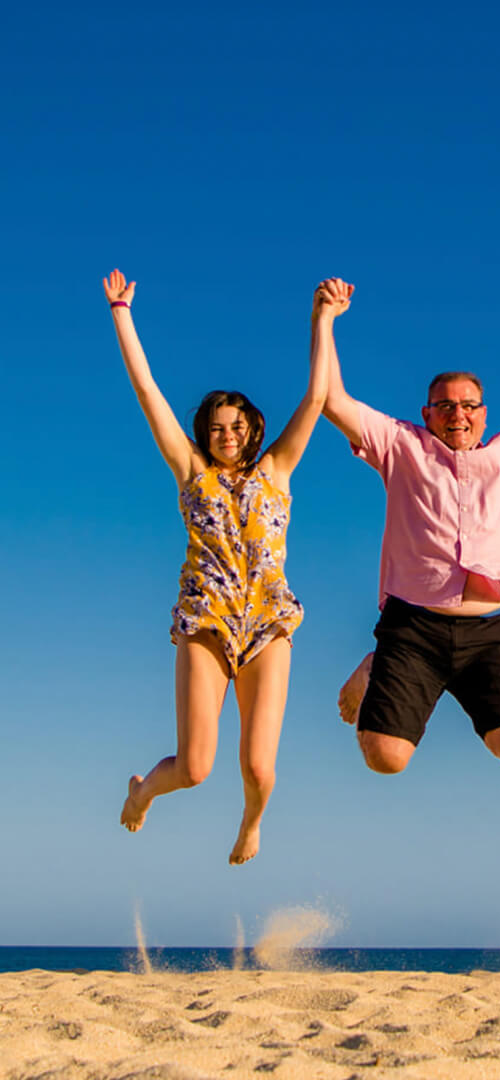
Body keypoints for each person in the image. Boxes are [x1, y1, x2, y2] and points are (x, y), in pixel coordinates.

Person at [107, 269, 351, 863]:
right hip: (208, 619)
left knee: (259, 766)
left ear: (253, 430)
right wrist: (121, 313)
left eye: (237, 426)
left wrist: (323, 321)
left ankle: (252, 821)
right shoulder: (192, 473)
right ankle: (144, 792)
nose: (227, 435)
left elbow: (317, 399)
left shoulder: (276, 471)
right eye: (216, 428)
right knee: (194, 767)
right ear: (204, 435)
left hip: (268, 621)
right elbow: (148, 394)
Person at [323, 283, 500, 774]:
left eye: (469, 405)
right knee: (385, 759)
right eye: (446, 406)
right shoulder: (399, 446)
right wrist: (324, 319)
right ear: (427, 413)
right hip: (412, 629)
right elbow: (330, 399)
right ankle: (379, 664)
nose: (458, 414)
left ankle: (390, 667)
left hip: (488, 631)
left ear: (484, 414)